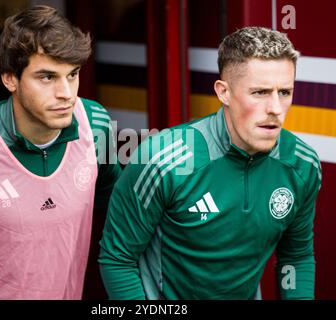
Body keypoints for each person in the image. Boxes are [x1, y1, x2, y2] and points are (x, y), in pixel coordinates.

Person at [99, 26, 322, 299]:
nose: (275, 108)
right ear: (223, 92)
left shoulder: (302, 164)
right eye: (260, 92)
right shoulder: (162, 160)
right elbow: (117, 259)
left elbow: (296, 256)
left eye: (285, 92)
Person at [0, 5, 121, 299]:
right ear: (10, 79)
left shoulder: (95, 124)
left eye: (72, 74)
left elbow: (114, 201)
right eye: (47, 77)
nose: (66, 92)